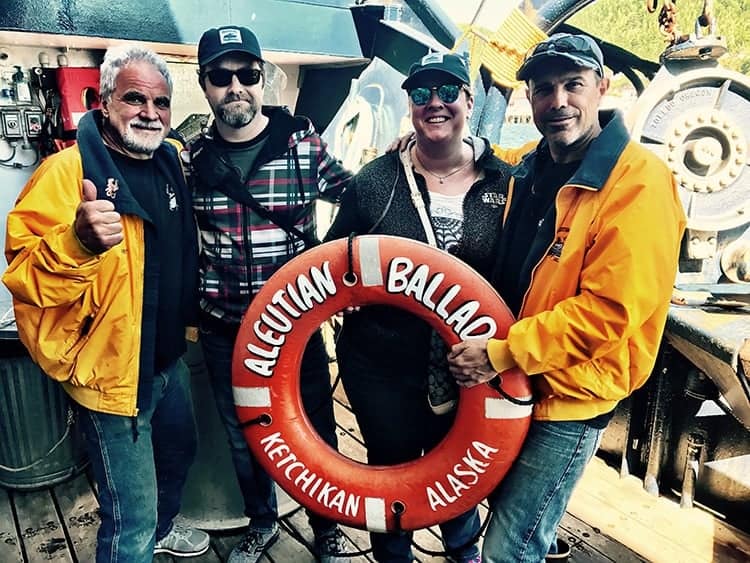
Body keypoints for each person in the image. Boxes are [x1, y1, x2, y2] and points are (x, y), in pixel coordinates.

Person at [446, 33, 687, 563]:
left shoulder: (640, 182)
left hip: (567, 395)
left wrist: (498, 352)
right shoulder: (531, 168)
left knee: (511, 545)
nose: (558, 102)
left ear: (602, 87)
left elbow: (610, 312)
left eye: (573, 85)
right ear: (528, 99)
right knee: (518, 518)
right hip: (515, 379)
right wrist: (418, 146)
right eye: (543, 89)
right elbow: (480, 154)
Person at [2, 45, 209, 562]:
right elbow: (22, 276)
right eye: (134, 98)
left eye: (161, 103)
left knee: (179, 457)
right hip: (111, 379)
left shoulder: (170, 164)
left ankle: (164, 531)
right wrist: (77, 243)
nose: (149, 112)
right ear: (104, 101)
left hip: (167, 365)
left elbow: (178, 256)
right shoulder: (64, 172)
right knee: (129, 519)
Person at [325, 52, 513, 563]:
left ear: (469, 101)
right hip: (381, 365)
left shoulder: (506, 181)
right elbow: (330, 266)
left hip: (471, 367)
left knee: (459, 467)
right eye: (422, 93)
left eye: (448, 91)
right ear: (409, 104)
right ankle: (393, 557)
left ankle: (461, 551)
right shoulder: (375, 181)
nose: (435, 103)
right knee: (391, 468)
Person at [188, 25, 353, 563]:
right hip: (224, 328)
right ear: (204, 84)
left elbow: (361, 197)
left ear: (264, 79)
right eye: (220, 75)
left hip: (295, 327)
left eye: (247, 74)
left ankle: (325, 528)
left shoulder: (302, 145)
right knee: (244, 435)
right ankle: (262, 521)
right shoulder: (191, 163)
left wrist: (406, 155)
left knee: (317, 432)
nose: (235, 86)